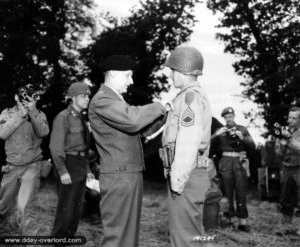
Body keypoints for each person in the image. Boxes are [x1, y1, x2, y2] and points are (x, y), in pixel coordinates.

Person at [88, 55, 169, 247]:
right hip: (120, 175)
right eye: (128, 76)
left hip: (128, 173)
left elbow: (142, 130)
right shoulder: (102, 100)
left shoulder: (115, 101)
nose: (131, 81)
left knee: (128, 235)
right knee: (118, 236)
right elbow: (133, 121)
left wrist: (166, 114)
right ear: (113, 74)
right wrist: (159, 106)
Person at [161, 46, 219, 246]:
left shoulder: (189, 98)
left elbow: (187, 141)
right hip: (192, 172)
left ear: (182, 71)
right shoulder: (191, 96)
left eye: (172, 70)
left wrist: (177, 179)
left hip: (186, 173)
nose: (170, 75)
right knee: (189, 234)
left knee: (184, 237)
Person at [0, 84, 49, 235]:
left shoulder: (39, 113)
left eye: (30, 96)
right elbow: (2, 134)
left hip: (32, 166)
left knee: (24, 205)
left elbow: (43, 132)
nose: (26, 99)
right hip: (12, 166)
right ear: (16, 97)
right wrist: (20, 115)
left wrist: (32, 111)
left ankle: (29, 238)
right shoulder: (6, 113)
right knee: (3, 205)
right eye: (23, 95)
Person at [50, 82, 94, 236]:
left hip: (80, 165)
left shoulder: (82, 118)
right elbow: (55, 147)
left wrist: (87, 170)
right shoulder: (63, 117)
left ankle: (68, 240)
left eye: (88, 96)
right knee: (66, 211)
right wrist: (62, 171)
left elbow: (84, 148)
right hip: (68, 164)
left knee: (76, 210)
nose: (87, 99)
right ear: (73, 98)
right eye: (83, 96)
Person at [211, 106, 255, 232]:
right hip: (225, 162)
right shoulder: (221, 131)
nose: (228, 119)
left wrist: (242, 137)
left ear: (234, 116)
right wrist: (216, 134)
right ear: (224, 118)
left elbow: (253, 145)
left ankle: (243, 222)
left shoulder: (242, 129)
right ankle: (228, 220)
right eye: (226, 117)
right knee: (227, 192)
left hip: (239, 162)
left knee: (241, 192)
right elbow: (207, 144)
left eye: (230, 116)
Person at [275, 106, 300, 227]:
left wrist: (289, 139)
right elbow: (278, 154)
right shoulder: (283, 131)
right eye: (289, 117)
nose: (290, 120)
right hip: (286, 168)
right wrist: (283, 145)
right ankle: (287, 226)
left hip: (299, 168)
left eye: (294, 118)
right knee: (285, 198)